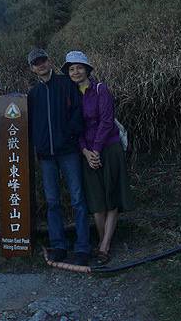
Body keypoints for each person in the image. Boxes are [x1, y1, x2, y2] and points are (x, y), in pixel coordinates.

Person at [61, 50, 133, 265]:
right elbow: (76, 128)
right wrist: (85, 151)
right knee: (96, 199)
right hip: (87, 153)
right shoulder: (71, 96)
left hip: (108, 149)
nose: (75, 72)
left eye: (79, 67)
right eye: (71, 69)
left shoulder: (101, 90)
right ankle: (104, 242)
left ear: (87, 70)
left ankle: (104, 247)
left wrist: (96, 150)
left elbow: (106, 121)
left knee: (111, 195)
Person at [27, 48, 90, 265]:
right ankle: (59, 245)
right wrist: (39, 145)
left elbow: (78, 113)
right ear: (32, 68)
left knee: (78, 199)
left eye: (43, 60)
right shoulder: (33, 94)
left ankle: (83, 247)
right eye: (36, 63)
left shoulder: (67, 84)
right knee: (52, 201)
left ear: (48, 61)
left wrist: (69, 135)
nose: (41, 64)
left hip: (69, 151)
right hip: (46, 156)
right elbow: (30, 124)